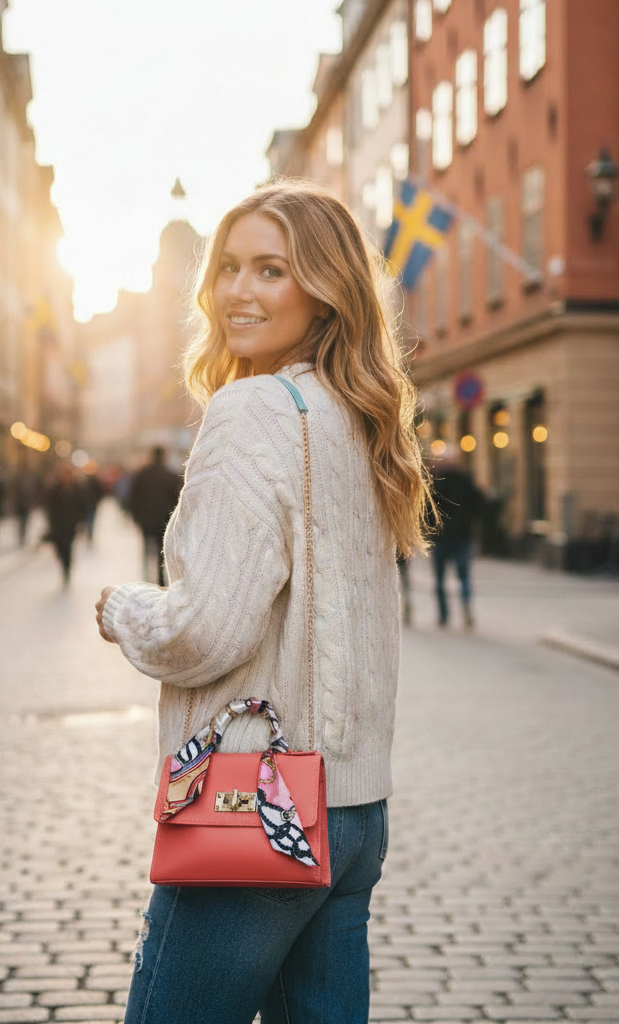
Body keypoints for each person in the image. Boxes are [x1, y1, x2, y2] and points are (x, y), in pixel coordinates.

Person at [94, 181, 428, 1023]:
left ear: (324, 289)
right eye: (228, 268)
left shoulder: (252, 411)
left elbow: (208, 630)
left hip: (258, 808)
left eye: (271, 270)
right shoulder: (358, 419)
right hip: (354, 811)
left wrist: (125, 610)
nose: (238, 291)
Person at [428, 445, 484, 629]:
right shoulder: (465, 479)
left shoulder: (435, 481)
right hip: (461, 535)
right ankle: (465, 605)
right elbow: (478, 504)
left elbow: (427, 509)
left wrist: (430, 528)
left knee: (440, 578)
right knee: (463, 575)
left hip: (442, 537)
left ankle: (443, 615)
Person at [127, 447, 183, 585]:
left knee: (146, 546)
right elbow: (177, 499)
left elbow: (133, 497)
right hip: (163, 518)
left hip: (145, 518)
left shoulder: (142, 475)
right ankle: (160, 577)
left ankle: (146, 575)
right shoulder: (170, 475)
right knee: (160, 549)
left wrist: (136, 516)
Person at [45, 463, 88, 585]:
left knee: (68, 547)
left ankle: (67, 569)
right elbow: (50, 507)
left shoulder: (77, 489)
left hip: (70, 524)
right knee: (59, 547)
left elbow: (82, 505)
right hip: (57, 524)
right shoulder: (55, 489)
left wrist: (81, 521)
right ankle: (63, 564)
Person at [83, 467, 107, 544]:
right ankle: (89, 532)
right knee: (90, 520)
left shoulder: (91, 483)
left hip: (91, 505)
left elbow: (100, 493)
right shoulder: (85, 483)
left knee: (90, 520)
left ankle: (89, 533)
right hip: (89, 505)